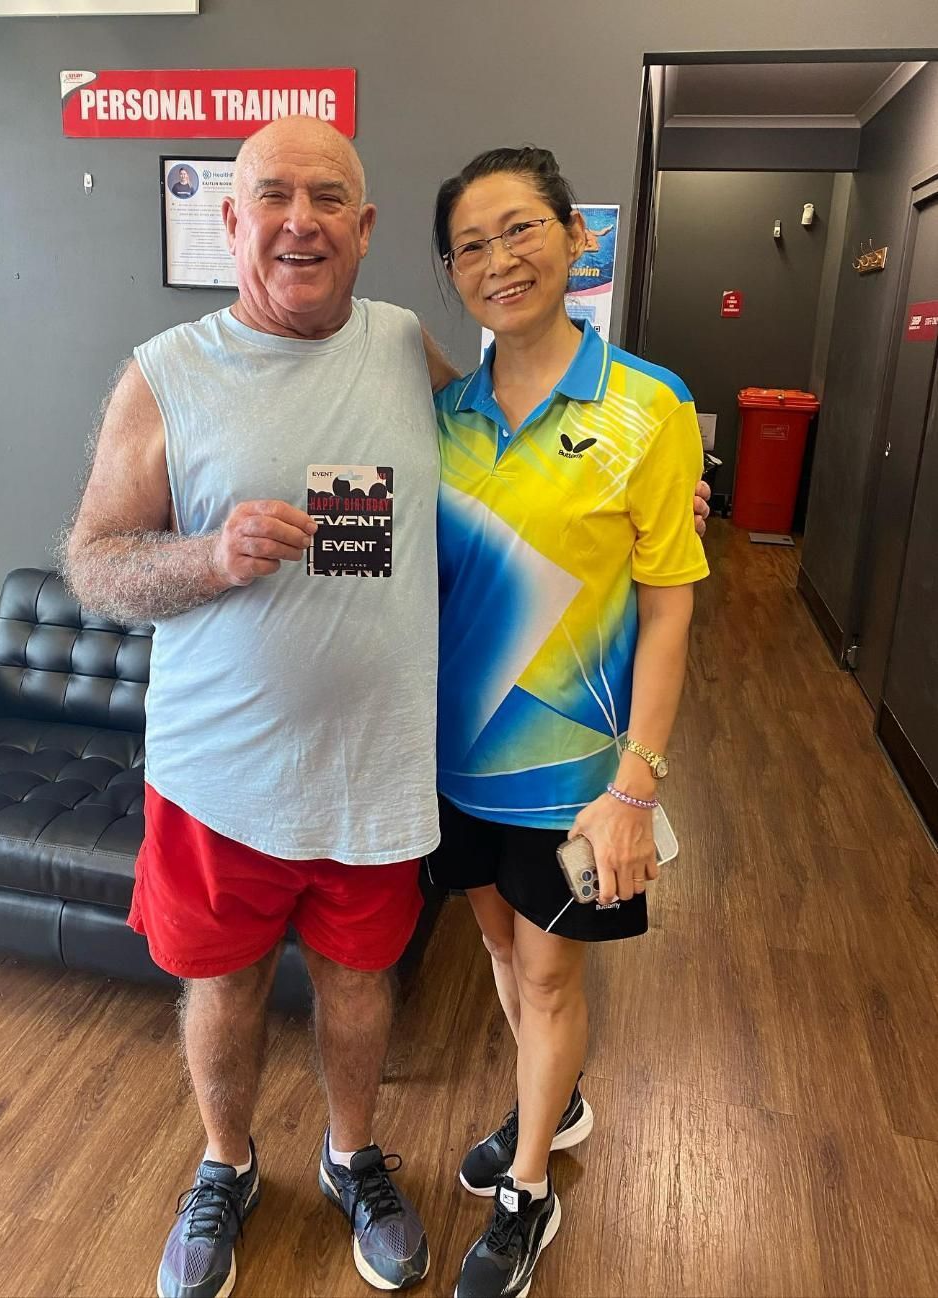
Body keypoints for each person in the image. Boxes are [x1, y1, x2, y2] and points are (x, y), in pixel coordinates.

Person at [64, 116, 446, 1298]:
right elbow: (93, 562)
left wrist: (647, 494)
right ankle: (225, 1161)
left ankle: (349, 1153)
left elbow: (520, 462)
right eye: (271, 196)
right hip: (217, 776)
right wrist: (208, 559)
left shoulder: (406, 346)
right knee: (221, 983)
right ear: (230, 222)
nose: (299, 219)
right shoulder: (166, 370)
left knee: (358, 980)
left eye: (328, 197)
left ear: (366, 227)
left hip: (375, 769)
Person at [428, 146, 710, 1298]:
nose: (501, 259)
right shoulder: (439, 414)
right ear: (451, 272)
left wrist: (636, 785)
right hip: (456, 768)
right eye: (473, 245)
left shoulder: (651, 405)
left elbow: (671, 606)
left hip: (575, 783)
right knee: (501, 953)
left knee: (548, 984)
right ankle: (558, 1098)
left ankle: (530, 1187)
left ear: (575, 238)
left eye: (522, 229)